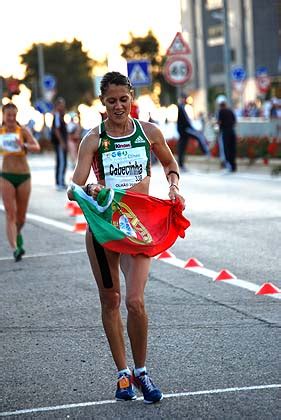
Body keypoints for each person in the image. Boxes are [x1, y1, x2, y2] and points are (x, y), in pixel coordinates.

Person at [67, 71, 185, 403]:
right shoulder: (93, 139)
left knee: (135, 301)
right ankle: (122, 374)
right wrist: (90, 187)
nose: (118, 106)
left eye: (123, 99)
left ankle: (142, 372)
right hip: (105, 229)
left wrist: (174, 186)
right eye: (111, 101)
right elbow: (73, 188)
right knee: (112, 301)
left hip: (139, 229)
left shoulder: (149, 133)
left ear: (132, 97)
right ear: (102, 103)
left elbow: (170, 164)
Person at [0, 102, 40, 261]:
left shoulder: (22, 130)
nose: (11, 118)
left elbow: (36, 147)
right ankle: (15, 248)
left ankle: (17, 234)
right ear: (3, 115)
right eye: (8, 115)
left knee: (21, 217)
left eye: (13, 115)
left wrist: (23, 144)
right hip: (6, 176)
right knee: (11, 213)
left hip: (23, 176)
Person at [176, 93, 210, 171]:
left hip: (184, 131)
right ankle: (206, 152)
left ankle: (181, 164)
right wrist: (193, 129)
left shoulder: (182, 107)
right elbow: (186, 122)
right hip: (184, 131)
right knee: (198, 137)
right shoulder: (181, 107)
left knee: (182, 148)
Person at [51, 97, 68, 190]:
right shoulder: (57, 115)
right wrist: (62, 142)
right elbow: (57, 130)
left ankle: (61, 181)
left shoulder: (60, 115)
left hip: (61, 143)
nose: (62, 107)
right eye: (61, 105)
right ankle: (59, 182)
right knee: (61, 162)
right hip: (59, 143)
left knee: (62, 161)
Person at [217, 100, 237, 173]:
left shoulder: (221, 111)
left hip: (225, 132)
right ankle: (234, 166)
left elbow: (219, 122)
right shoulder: (230, 111)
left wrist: (219, 130)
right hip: (232, 131)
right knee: (232, 149)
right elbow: (235, 121)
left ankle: (229, 165)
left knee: (226, 149)